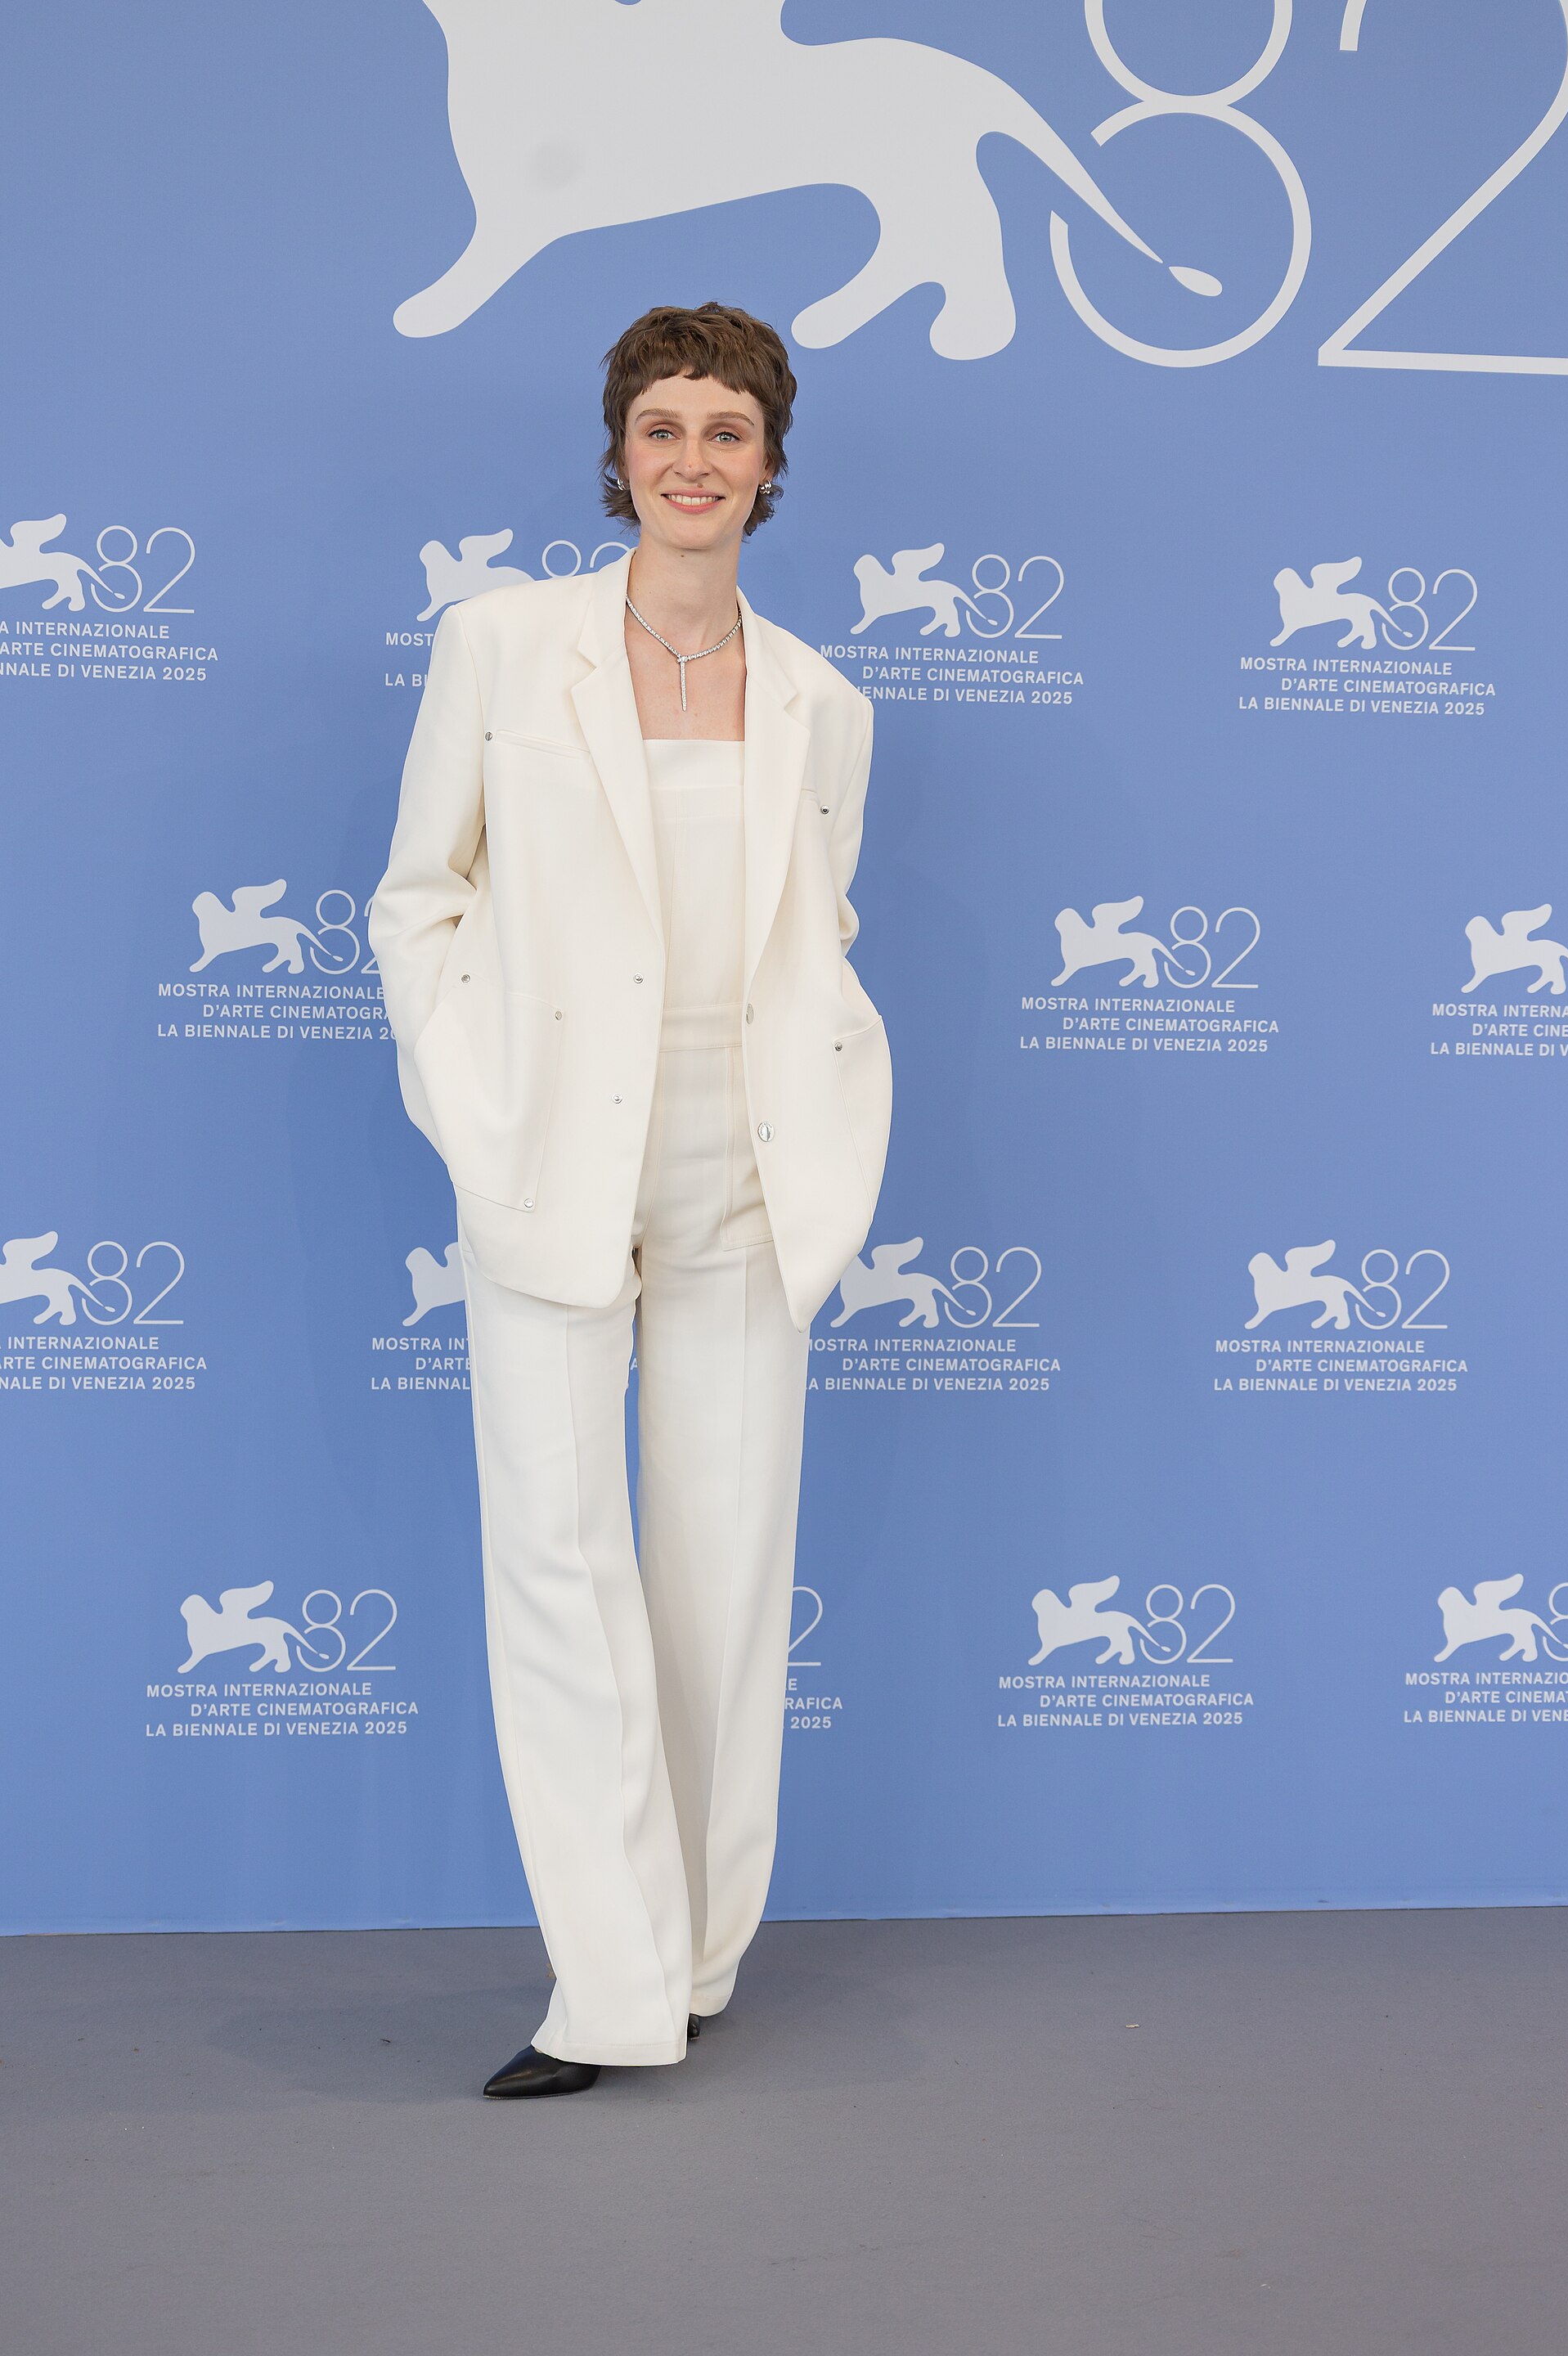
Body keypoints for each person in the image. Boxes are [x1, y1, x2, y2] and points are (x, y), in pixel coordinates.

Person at [368, 303, 892, 2097]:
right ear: (619, 454)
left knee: (727, 1581)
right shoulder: (506, 647)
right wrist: (475, 1098)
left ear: (769, 462)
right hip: (547, 1157)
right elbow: (418, 895)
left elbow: (810, 936)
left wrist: (816, 1120)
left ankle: (694, 1958)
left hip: (742, 1164)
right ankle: (601, 1991)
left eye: (725, 430)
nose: (691, 459)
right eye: (661, 426)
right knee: (558, 1566)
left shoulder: (826, 700)